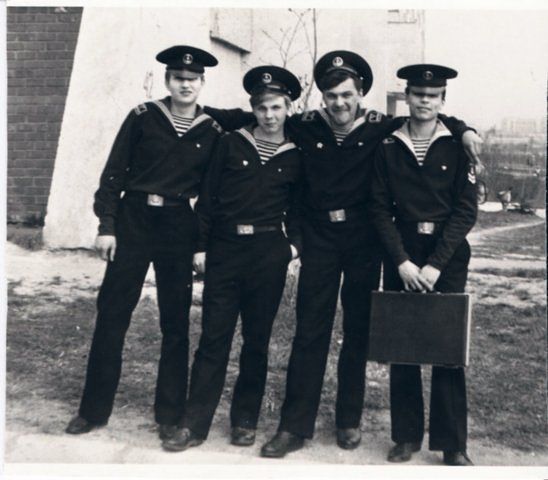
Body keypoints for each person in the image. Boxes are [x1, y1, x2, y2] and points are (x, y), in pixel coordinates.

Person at [202, 50, 482, 458]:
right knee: (309, 330)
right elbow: (253, 114)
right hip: (319, 239)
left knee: (357, 332)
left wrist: (465, 129)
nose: (339, 103)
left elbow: (428, 113)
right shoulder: (303, 125)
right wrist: (191, 108)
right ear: (322, 97)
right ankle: (294, 426)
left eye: (347, 95)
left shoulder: (381, 127)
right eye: (331, 96)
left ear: (360, 94)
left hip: (363, 240)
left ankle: (348, 421)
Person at [65, 45, 223, 443]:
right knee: (112, 315)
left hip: (177, 225)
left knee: (176, 321)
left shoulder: (211, 130)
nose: (185, 85)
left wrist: (200, 243)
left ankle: (169, 413)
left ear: (202, 83)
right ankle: (92, 410)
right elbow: (113, 173)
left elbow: (209, 195)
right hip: (134, 218)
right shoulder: (142, 116)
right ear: (167, 80)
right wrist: (107, 226)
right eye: (178, 78)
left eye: (192, 79)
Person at [161, 66, 302, 452]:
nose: (269, 115)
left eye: (276, 107)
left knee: (256, 341)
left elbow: (302, 210)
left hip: (268, 254)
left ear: (288, 108)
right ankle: (194, 424)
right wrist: (201, 247)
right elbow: (207, 200)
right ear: (252, 109)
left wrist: (292, 248)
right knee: (213, 338)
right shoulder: (231, 143)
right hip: (225, 250)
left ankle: (245, 420)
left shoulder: (296, 154)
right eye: (262, 108)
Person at [369, 64, 477, 466]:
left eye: (432, 96)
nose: (424, 102)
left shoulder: (457, 145)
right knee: (404, 345)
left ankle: (453, 444)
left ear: (443, 100)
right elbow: (378, 208)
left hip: (446, 255)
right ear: (407, 97)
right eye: (417, 94)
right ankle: (405, 436)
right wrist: (401, 261)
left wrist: (435, 265)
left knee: (448, 348)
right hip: (402, 251)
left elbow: (466, 211)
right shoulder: (388, 144)